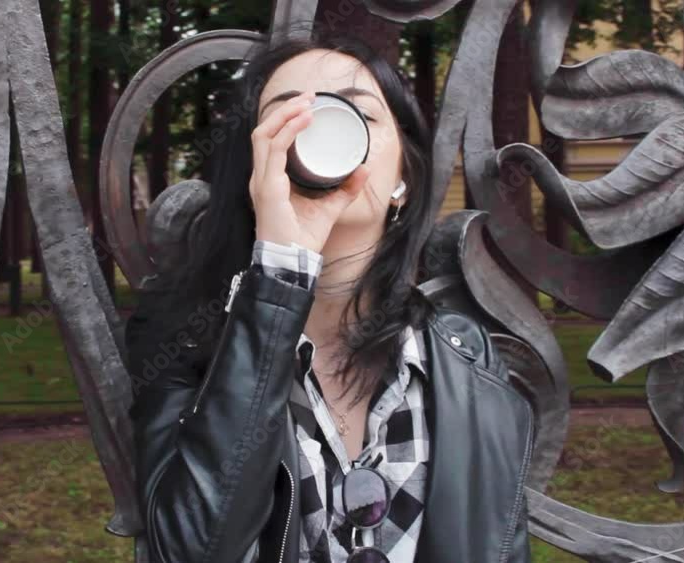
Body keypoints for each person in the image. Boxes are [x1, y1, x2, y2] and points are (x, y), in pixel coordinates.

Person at [126, 30, 535, 563]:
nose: (319, 128)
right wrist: (280, 272)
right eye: (286, 117)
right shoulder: (182, 341)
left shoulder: (465, 358)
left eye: (357, 115)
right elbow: (190, 550)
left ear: (403, 176)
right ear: (255, 170)